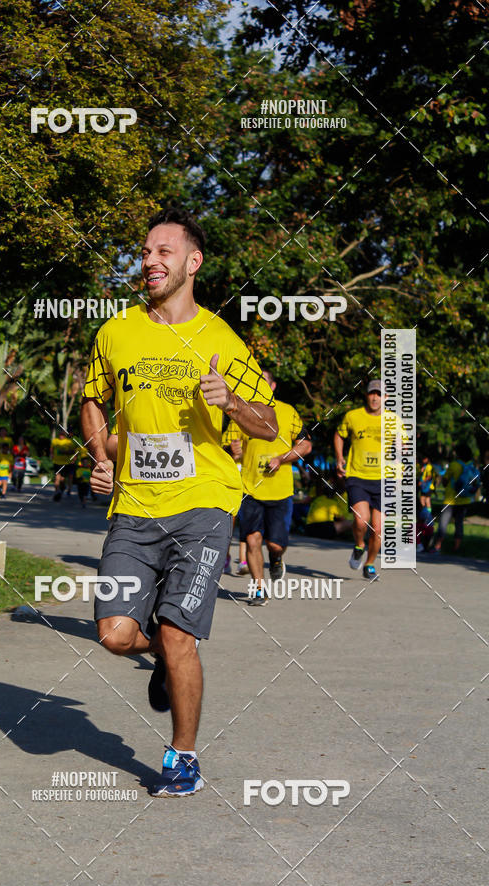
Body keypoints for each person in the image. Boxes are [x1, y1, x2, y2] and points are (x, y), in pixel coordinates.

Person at [81, 206, 277, 797]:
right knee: (114, 634)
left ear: (192, 263)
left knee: (177, 632)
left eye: (163, 251)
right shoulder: (116, 332)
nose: (150, 261)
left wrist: (232, 402)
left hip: (205, 503)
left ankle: (183, 755)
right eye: (145, 252)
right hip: (136, 505)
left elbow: (268, 424)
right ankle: (165, 660)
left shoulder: (221, 339)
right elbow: (93, 399)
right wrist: (101, 456)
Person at [235, 369, 311, 607]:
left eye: (265, 382)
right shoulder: (241, 411)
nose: (260, 386)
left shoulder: (288, 412)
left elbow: (306, 445)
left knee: (275, 545)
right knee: (252, 538)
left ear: (273, 386)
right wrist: (234, 451)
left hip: (280, 490)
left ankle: (276, 559)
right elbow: (229, 444)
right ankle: (259, 588)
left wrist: (281, 458)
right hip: (250, 488)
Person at [334, 380, 385, 581]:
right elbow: (339, 435)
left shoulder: (393, 421)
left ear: (385, 398)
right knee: (360, 520)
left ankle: (370, 564)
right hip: (357, 476)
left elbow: (404, 446)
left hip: (383, 479)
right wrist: (339, 458)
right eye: (372, 393)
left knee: (378, 528)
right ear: (366, 395)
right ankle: (359, 545)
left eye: (379, 394)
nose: (375, 397)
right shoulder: (353, 416)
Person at [433, 443, 480, 553]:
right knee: (459, 524)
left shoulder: (454, 465)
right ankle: (456, 548)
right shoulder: (471, 466)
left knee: (443, 523)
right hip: (465, 500)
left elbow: (445, 481)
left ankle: (437, 546)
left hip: (450, 499)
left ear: (458, 454)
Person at [222, 419, 248, 574]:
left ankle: (243, 560)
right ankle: (225, 556)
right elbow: (225, 449)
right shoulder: (234, 424)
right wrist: (233, 451)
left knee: (247, 523)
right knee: (229, 523)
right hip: (232, 480)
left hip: (252, 482)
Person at [50, 432, 76, 501]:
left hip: (66, 463)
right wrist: (52, 455)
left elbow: (73, 451)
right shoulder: (55, 441)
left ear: (65, 436)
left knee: (63, 479)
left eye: (62, 435)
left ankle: (64, 488)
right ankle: (57, 491)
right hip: (57, 462)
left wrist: (66, 453)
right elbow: (52, 449)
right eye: (60, 435)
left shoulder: (69, 442)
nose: (61, 436)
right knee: (57, 477)